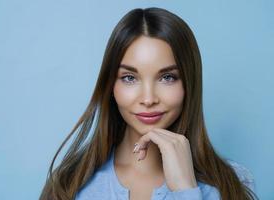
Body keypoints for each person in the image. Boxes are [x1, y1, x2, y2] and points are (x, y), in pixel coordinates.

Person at [40, 7, 258, 200]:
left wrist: (185, 190)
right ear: (111, 86)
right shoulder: (69, 186)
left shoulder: (233, 184)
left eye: (167, 77)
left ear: (189, 84)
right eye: (129, 78)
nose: (148, 99)